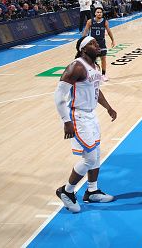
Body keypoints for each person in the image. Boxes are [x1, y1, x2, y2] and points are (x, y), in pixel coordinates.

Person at [54, 36, 118, 213]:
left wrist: (108, 108)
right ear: (83, 49)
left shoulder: (94, 66)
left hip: (91, 116)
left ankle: (92, 191)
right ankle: (66, 191)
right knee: (89, 158)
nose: (96, 45)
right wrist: (66, 121)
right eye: (92, 43)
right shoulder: (77, 66)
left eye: (97, 43)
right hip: (78, 116)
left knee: (96, 154)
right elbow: (58, 96)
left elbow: (96, 91)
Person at [82, 7, 115, 82]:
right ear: (95, 13)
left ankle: (103, 75)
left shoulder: (105, 22)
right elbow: (86, 31)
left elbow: (109, 31)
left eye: (100, 12)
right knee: (92, 60)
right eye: (98, 12)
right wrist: (83, 41)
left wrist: (113, 40)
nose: (99, 13)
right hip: (92, 43)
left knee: (103, 58)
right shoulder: (90, 21)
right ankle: (93, 74)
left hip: (101, 42)